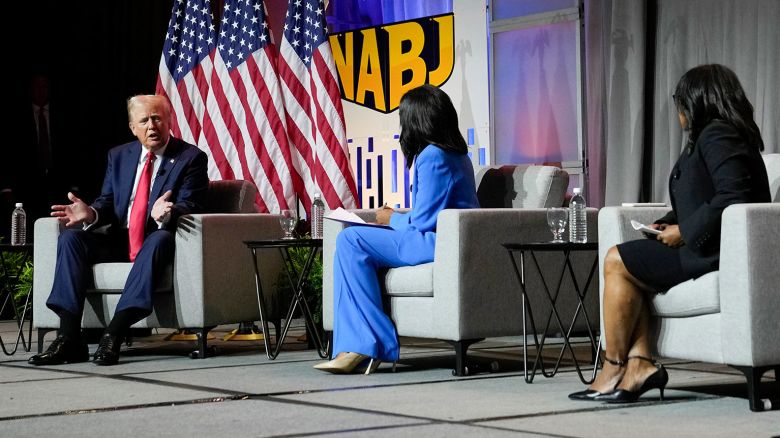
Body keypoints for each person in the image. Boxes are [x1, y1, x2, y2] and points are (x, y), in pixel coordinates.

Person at [569, 64, 771, 403]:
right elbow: (702, 197)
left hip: (716, 250)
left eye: (679, 100)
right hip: (705, 243)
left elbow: (733, 197)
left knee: (616, 259)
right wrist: (666, 222)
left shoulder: (717, 134)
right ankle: (639, 366)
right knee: (628, 264)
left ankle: (614, 367)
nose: (677, 108)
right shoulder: (715, 135)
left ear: (696, 100)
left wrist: (685, 232)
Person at [28, 95, 209, 366]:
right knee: (71, 239)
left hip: (157, 238)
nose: (152, 126)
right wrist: (92, 213)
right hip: (120, 239)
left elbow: (191, 203)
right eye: (144, 120)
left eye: (158, 118)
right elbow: (109, 201)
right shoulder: (119, 156)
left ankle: (114, 333)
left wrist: (167, 213)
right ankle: (68, 339)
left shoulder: (190, 158)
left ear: (169, 120)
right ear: (132, 127)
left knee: (159, 238)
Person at [314, 84, 480, 374]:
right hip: (441, 239)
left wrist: (390, 218)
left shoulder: (432, 157)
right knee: (353, 242)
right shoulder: (456, 156)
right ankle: (362, 344)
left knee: (352, 239)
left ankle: (365, 346)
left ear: (417, 120)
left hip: (435, 243)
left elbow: (422, 222)